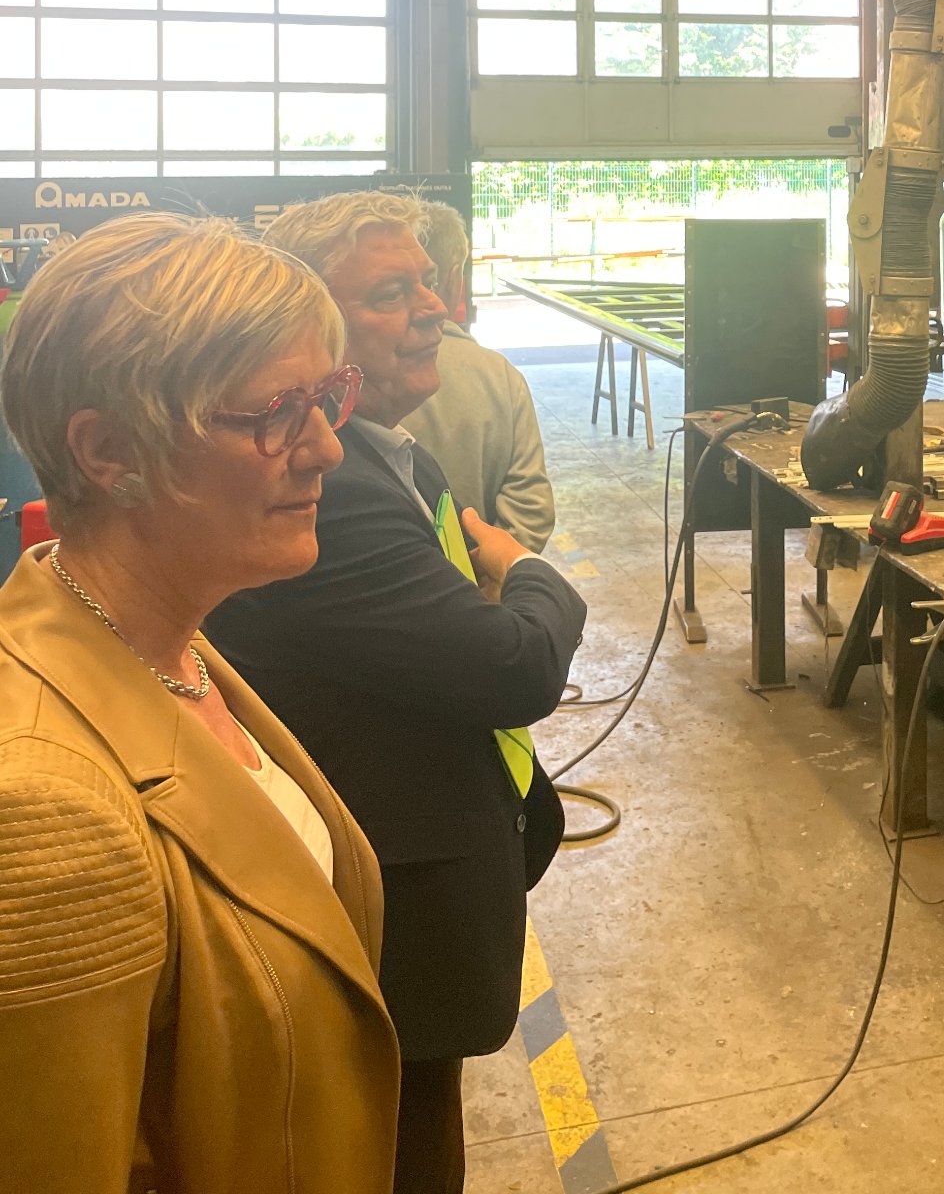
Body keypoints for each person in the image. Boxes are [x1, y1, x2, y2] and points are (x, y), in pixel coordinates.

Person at [0, 213, 399, 1194]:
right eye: (275, 412)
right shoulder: (47, 809)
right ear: (108, 450)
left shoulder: (163, 642)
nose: (326, 448)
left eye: (326, 398)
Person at [208, 191, 586, 1194]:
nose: (435, 309)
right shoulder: (337, 494)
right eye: (391, 293)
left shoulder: (390, 454)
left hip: (416, 840)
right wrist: (527, 568)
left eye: (429, 283)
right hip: (389, 877)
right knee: (399, 1125)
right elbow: (513, 665)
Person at [411, 199, 557, 553]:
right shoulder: (499, 377)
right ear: (455, 281)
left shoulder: (341, 376)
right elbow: (531, 512)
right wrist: (479, 573)